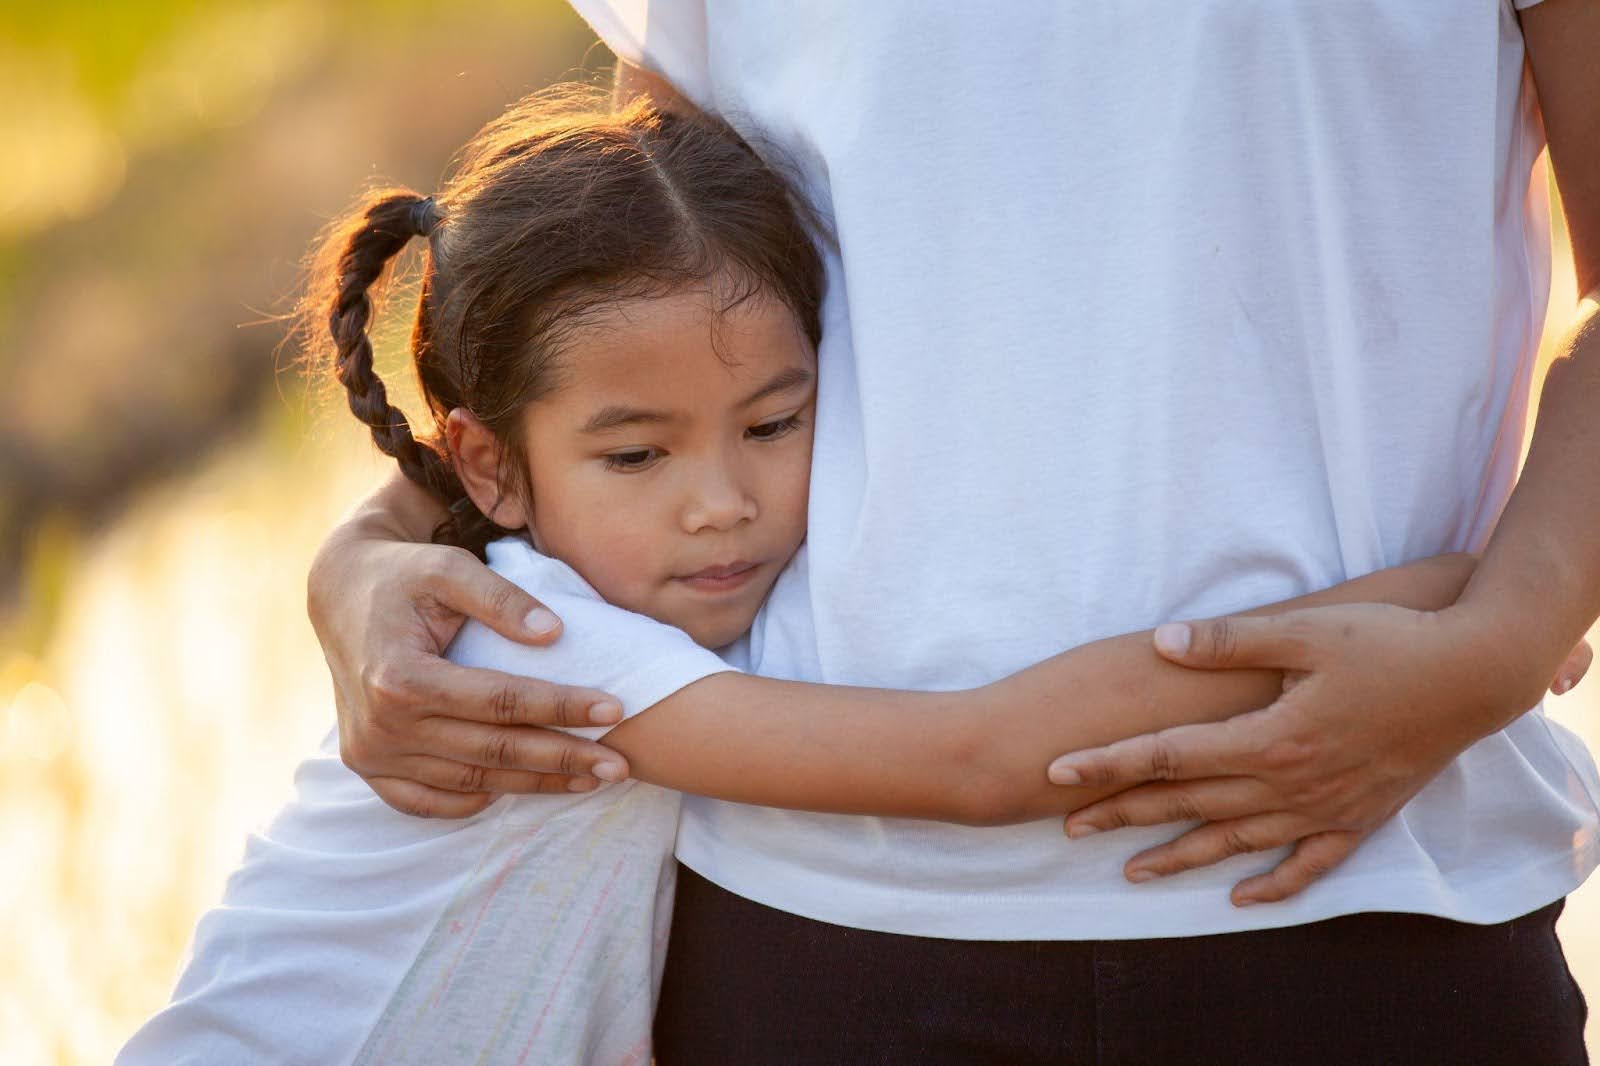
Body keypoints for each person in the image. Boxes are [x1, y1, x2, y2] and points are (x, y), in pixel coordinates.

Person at [120, 89, 1530, 1066]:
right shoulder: (552, 643)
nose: (721, 500)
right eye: (634, 455)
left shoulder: (605, 597)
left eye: (776, 424)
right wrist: (1458, 607)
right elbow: (985, 756)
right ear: (487, 468)